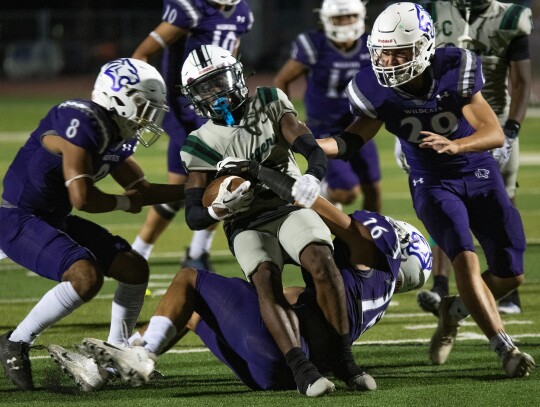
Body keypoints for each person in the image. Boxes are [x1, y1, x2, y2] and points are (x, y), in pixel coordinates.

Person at [315, 2, 535, 377]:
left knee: (511, 273)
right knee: (464, 256)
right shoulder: (373, 88)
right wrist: (307, 144)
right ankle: (504, 347)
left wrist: (458, 145)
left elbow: (493, 132)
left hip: (477, 169)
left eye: (398, 51)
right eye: (382, 51)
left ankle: (455, 310)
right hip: (431, 179)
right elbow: (351, 141)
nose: (388, 60)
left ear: (423, 47)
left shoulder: (455, 68)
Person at [55, 188, 432, 394]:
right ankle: (107, 367)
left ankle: (142, 355)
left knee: (189, 279)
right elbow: (292, 299)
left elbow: (353, 230)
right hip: (272, 376)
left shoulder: (370, 258)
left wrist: (297, 186)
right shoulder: (371, 296)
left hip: (279, 353)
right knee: (195, 309)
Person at [173, 43, 374, 396]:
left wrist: (312, 174)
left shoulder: (268, 100)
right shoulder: (198, 142)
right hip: (246, 221)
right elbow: (192, 215)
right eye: (206, 88)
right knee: (265, 279)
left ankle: (345, 360)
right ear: (195, 96)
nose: (216, 92)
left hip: (288, 205)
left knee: (321, 261)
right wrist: (216, 210)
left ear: (236, 75)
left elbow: (309, 145)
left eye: (219, 81)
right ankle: (303, 369)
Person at [0, 58, 184, 391]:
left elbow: (141, 190)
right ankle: (16, 340)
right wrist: (126, 203)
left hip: (53, 217)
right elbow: (83, 198)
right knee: (85, 277)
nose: (148, 116)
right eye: (144, 105)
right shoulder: (81, 120)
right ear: (120, 97)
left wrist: (197, 190)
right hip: (17, 215)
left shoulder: (117, 133)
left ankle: (117, 352)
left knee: (133, 268)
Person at [411, 0, 533, 316]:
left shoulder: (510, 18)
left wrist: (512, 130)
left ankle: (507, 288)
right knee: (442, 197)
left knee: (503, 201)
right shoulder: (433, 12)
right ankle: (439, 285)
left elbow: (520, 82)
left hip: (493, 122)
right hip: (444, 120)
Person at [130, 0, 254, 270]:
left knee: (220, 180)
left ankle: (194, 252)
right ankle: (140, 251)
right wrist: (147, 100)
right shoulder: (190, 9)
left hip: (218, 108)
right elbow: (141, 54)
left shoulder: (242, 12)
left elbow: (232, 59)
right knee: (188, 187)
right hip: (185, 110)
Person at [273, 0, 382, 211]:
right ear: (326, 20)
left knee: (373, 187)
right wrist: (287, 119)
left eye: (349, 16)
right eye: (338, 18)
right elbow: (282, 79)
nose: (345, 23)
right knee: (346, 193)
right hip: (325, 127)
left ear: (360, 16)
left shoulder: (372, 44)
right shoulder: (315, 44)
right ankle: (318, 194)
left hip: (359, 124)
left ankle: (372, 237)